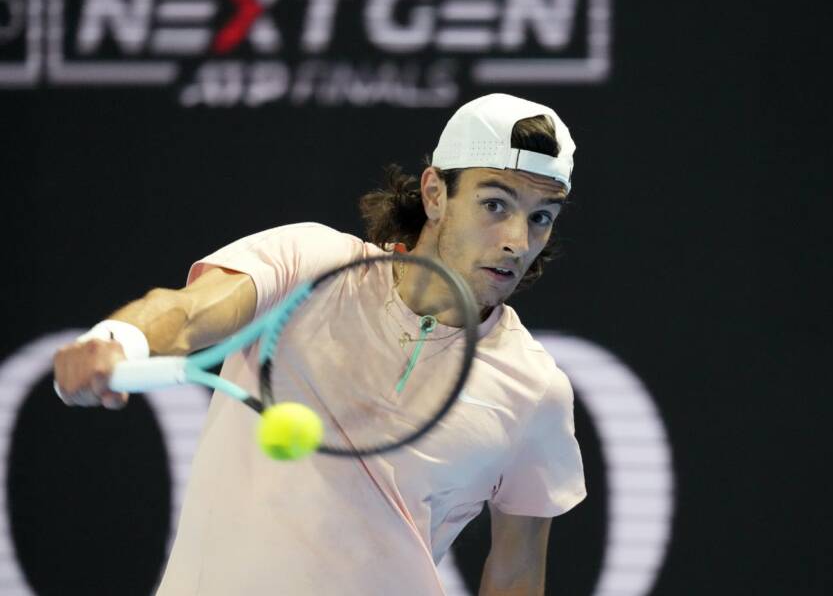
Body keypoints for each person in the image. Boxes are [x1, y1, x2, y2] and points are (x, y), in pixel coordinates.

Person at [53, 93, 586, 595]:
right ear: (434, 194)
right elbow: (189, 313)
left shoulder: (534, 389)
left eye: (541, 217)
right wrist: (119, 339)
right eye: (495, 204)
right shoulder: (310, 264)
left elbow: (517, 571)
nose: (518, 241)